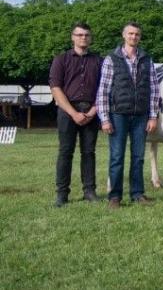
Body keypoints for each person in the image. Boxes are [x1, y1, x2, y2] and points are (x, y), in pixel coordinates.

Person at [97, 22, 160, 209]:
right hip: (118, 115)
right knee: (117, 156)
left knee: (138, 156)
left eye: (137, 34)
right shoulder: (111, 59)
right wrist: (105, 118)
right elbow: (103, 90)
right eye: (131, 33)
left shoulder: (146, 59)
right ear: (124, 35)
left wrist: (153, 116)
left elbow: (154, 89)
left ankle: (137, 193)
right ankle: (115, 196)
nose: (134, 37)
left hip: (141, 116)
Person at [49, 22, 103, 207]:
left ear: (90, 38)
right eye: (79, 35)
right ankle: (62, 194)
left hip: (91, 110)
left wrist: (93, 111)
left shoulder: (98, 61)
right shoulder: (61, 59)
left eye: (86, 35)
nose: (83, 38)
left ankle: (89, 191)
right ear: (72, 37)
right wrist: (73, 113)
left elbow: (104, 89)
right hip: (67, 110)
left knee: (89, 152)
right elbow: (56, 88)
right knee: (65, 152)